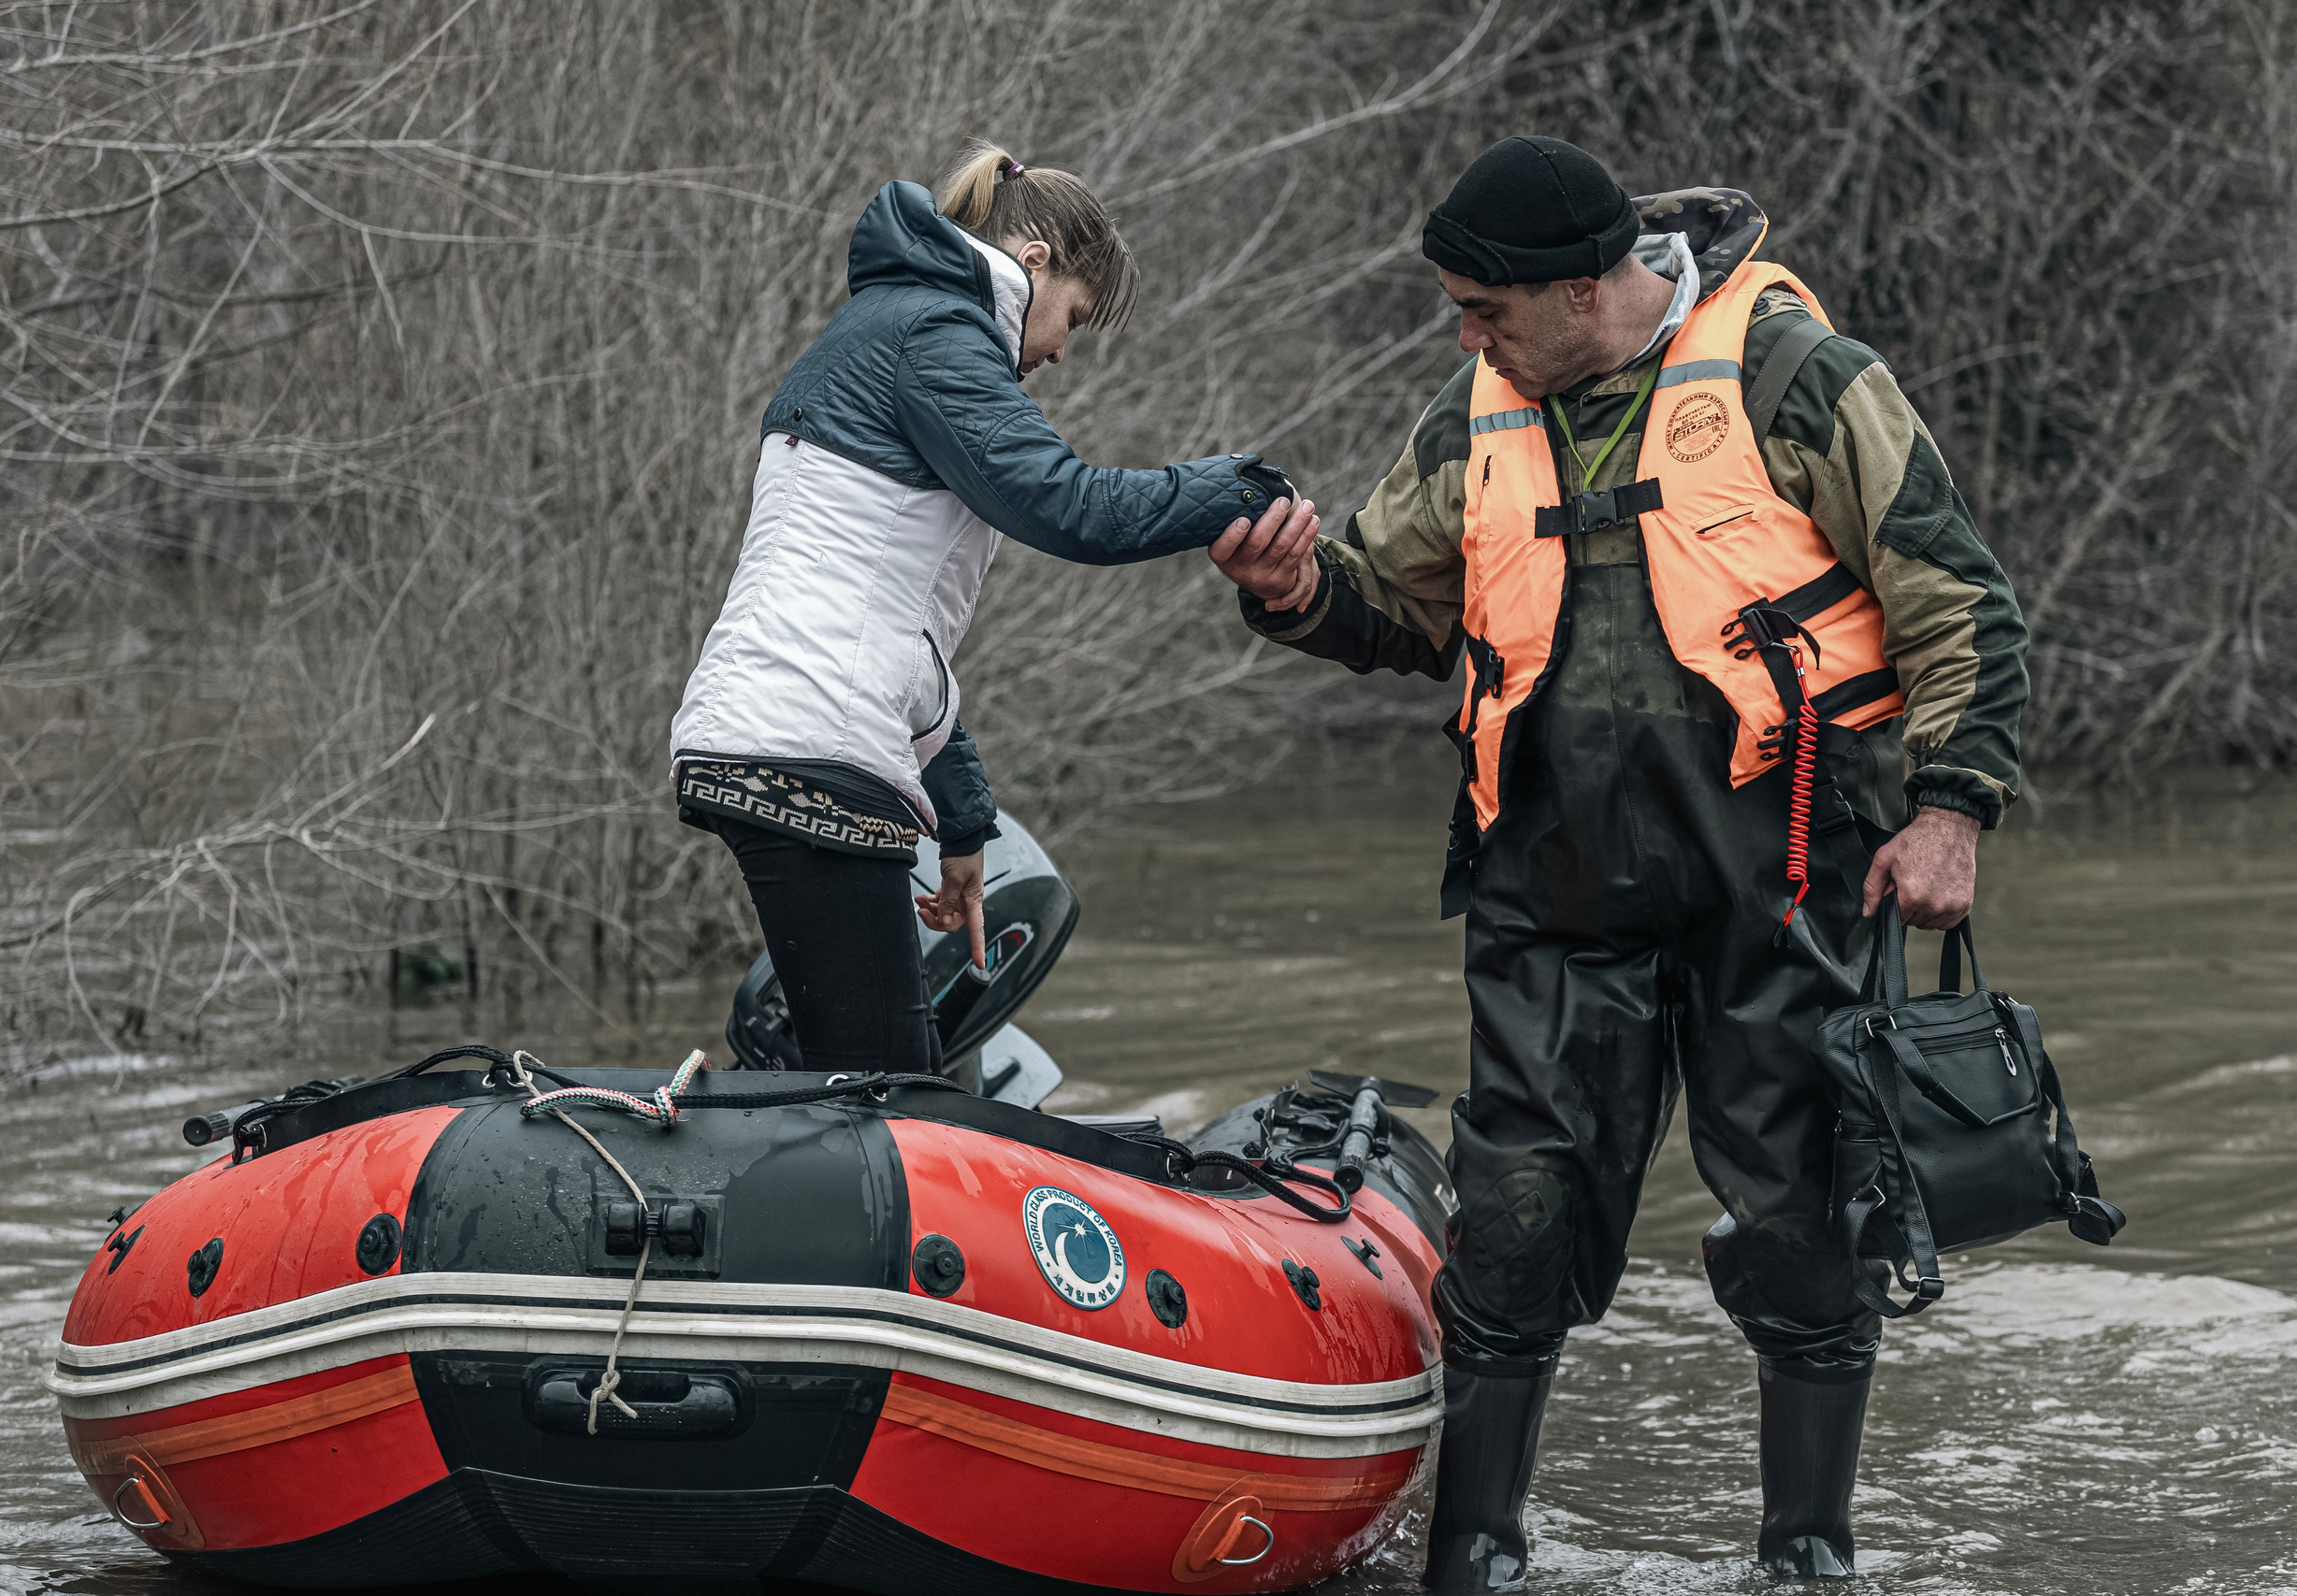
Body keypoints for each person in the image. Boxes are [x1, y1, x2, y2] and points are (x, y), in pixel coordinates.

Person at [1208, 137, 2027, 1589]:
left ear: (1587, 288)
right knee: (1511, 1228)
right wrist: (1294, 592)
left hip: (1781, 881)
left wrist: (1951, 807)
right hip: (1549, 886)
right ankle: (1476, 1555)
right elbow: (1396, 605)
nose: (1464, 335)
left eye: (1484, 310)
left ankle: (1807, 1553)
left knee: (1803, 1228)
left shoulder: (1797, 374)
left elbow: (1959, 599)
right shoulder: (1480, 414)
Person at [672, 141, 1315, 1077]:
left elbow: (898, 649)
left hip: (776, 734)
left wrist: (965, 826)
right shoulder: (938, 333)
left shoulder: (886, 326)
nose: (1057, 350)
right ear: (1038, 262)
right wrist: (1237, 489)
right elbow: (1073, 508)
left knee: (863, 1073)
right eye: (1073, 319)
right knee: (890, 1090)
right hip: (811, 748)